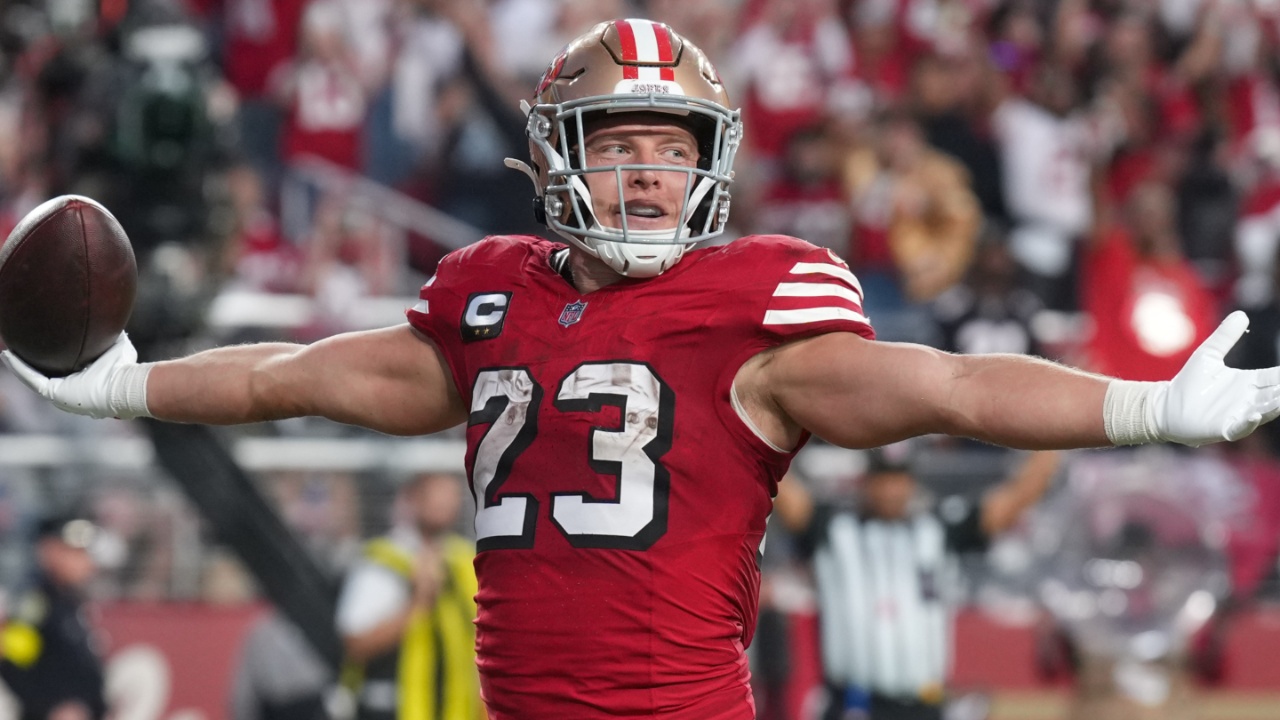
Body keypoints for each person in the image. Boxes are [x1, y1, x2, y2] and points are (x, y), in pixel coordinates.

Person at [3, 18, 1280, 719]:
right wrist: (127, 384)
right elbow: (296, 374)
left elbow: (948, 390)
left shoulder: (750, 307)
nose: (646, 173)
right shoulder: (490, 293)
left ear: (711, 162)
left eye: (670, 149)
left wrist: (1143, 407)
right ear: (556, 156)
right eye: (615, 144)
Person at [774, 443, 1060, 720]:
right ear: (866, 482)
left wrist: (1053, 435)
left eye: (899, 479)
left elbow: (1014, 501)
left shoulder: (937, 531)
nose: (891, 491)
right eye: (883, 479)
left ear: (912, 483)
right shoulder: (834, 530)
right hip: (853, 704)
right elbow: (784, 494)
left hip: (925, 705)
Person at [335, 472, 480, 720]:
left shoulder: (465, 560)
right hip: (391, 706)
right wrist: (418, 602)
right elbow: (355, 643)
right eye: (435, 498)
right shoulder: (383, 561)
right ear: (413, 500)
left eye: (450, 498)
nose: (444, 506)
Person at [0, 516, 107, 720]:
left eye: (85, 553)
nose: (85, 561)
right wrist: (50, 707)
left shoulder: (71, 603)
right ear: (48, 550)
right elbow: (12, 661)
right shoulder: (34, 603)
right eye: (74, 552)